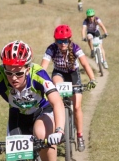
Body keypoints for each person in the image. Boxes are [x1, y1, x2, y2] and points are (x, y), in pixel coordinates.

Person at [41, 24, 96, 152]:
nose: (62, 44)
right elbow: (43, 68)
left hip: (73, 74)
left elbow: (85, 64)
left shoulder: (75, 48)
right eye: (59, 41)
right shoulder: (51, 49)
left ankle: (80, 136)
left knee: (77, 106)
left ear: (69, 40)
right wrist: (41, 82)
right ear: (56, 41)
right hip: (59, 73)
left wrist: (92, 79)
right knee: (56, 98)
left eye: (65, 40)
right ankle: (59, 128)